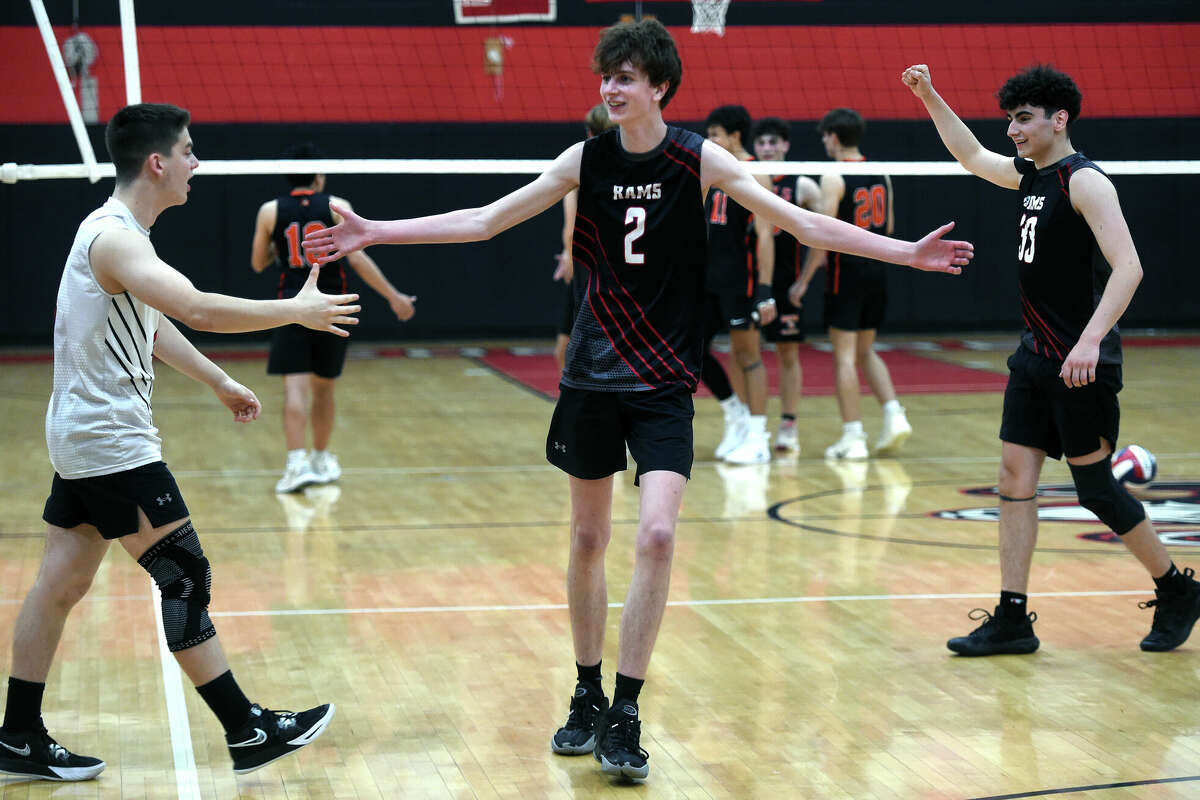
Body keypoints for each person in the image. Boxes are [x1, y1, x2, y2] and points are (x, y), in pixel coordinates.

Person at [302, 19, 971, 781]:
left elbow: (801, 220)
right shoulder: (584, 159)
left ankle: (626, 709)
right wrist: (376, 232)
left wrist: (905, 252)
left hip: (661, 383)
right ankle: (585, 693)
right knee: (589, 541)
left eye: (624, 77)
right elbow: (486, 220)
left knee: (656, 535)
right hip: (591, 375)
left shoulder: (698, 157)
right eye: (605, 77)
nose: (610, 89)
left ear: (659, 86)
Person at [0, 104, 354, 782]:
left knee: (60, 584)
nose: (198, 163)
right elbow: (193, 305)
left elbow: (157, 325)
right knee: (184, 573)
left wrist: (219, 380)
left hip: (84, 437)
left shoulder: (123, 237)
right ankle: (246, 728)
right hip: (109, 443)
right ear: (157, 163)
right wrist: (295, 310)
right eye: (189, 151)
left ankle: (17, 736)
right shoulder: (114, 239)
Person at [901, 63, 1200, 654]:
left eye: (1023, 119)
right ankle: (1013, 618)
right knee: (1014, 478)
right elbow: (972, 157)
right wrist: (931, 95)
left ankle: (1177, 589)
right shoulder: (1032, 176)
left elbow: (1130, 268)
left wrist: (1089, 341)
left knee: (1095, 491)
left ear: (1058, 120)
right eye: (1011, 119)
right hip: (1035, 356)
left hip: (1081, 362)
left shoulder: (1084, 182)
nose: (1012, 130)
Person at [251, 143, 415, 493]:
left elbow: (257, 263)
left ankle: (296, 464)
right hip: (331, 305)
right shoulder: (338, 207)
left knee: (294, 386)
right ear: (319, 175)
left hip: (291, 305)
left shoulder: (269, 211)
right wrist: (394, 296)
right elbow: (358, 259)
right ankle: (321, 458)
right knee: (324, 388)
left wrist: (281, 246)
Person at [791, 108, 912, 460]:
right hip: (878, 267)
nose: (824, 142)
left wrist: (803, 281)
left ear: (834, 136)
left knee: (844, 356)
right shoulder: (882, 173)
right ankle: (894, 414)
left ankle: (853, 436)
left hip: (847, 271)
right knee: (865, 350)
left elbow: (823, 235)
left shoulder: (833, 175)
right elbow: (886, 227)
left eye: (825, 135)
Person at [701, 105, 778, 465]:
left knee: (748, 355)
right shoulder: (713, 171)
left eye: (715, 134)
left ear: (734, 136)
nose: (709, 140)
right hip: (708, 280)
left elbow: (765, 237)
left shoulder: (755, 174)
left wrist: (764, 290)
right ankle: (737, 416)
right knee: (692, 349)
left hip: (741, 280)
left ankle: (759, 435)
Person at [751, 117, 823, 452]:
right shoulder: (743, 179)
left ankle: (789, 423)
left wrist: (804, 282)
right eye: (762, 143)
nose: (767, 148)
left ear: (785, 146)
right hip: (751, 282)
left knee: (787, 354)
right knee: (746, 355)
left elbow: (822, 238)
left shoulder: (803, 185)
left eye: (773, 143)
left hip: (786, 284)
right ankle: (753, 426)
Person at [553, 105, 617, 373]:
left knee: (568, 351)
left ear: (590, 132)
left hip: (589, 273)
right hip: (623, 272)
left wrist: (570, 255)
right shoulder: (634, 170)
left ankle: (576, 409)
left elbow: (571, 227)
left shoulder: (579, 169)